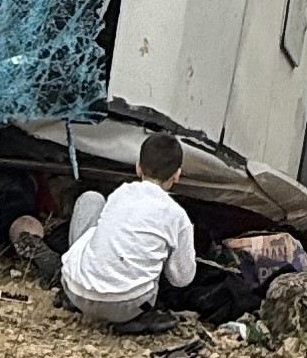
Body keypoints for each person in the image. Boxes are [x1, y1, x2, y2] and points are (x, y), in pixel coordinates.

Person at [11, 130, 197, 324]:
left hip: (77, 292)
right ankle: (136, 320)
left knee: (92, 202)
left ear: (138, 168)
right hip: (131, 307)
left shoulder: (120, 195)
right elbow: (182, 278)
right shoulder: (177, 216)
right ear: (177, 175)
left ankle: (77, 277)